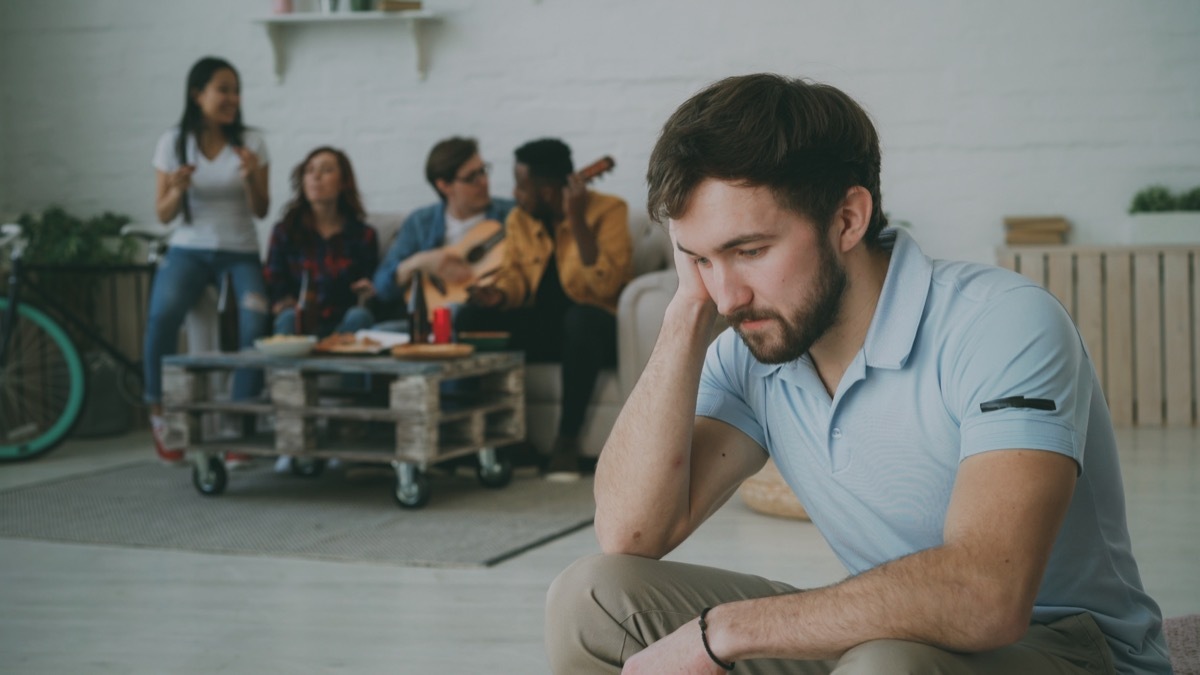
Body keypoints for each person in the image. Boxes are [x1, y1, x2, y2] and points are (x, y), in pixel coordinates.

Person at [545, 74, 1171, 674]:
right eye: (700, 258)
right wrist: (685, 313)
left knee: (884, 662)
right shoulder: (752, 344)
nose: (728, 295)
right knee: (592, 597)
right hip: (892, 640)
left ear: (848, 219)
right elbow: (630, 532)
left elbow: (987, 596)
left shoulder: (1001, 322)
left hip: (1070, 650)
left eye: (750, 251)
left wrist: (727, 632)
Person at [456, 138, 633, 482]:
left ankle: (566, 442)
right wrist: (500, 296)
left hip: (593, 331)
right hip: (546, 328)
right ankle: (504, 440)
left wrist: (577, 220)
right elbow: (514, 275)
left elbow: (606, 286)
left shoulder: (610, 211)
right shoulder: (520, 220)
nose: (516, 193)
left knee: (580, 319)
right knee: (471, 317)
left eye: (522, 185)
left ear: (549, 190)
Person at [145, 56, 270, 464]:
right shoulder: (173, 142)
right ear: (198, 95)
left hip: (239, 251)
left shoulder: (251, 142)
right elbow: (163, 214)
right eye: (223, 89)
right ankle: (159, 411)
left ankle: (240, 422)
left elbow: (262, 210)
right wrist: (177, 189)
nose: (233, 98)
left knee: (256, 318)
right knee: (163, 315)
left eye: (236, 90)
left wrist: (252, 177)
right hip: (189, 249)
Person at [372, 137, 514, 315]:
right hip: (428, 321)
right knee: (376, 331)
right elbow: (382, 287)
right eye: (471, 177)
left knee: (459, 313)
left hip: (486, 316)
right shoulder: (420, 222)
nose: (483, 181)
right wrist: (420, 262)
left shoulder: (512, 216)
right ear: (444, 185)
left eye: (483, 171)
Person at [264, 146, 379, 339]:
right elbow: (274, 282)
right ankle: (293, 368)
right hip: (300, 316)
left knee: (360, 316)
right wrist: (282, 302)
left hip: (343, 322)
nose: (316, 176)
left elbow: (370, 284)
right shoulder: (285, 231)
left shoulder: (363, 235)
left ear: (343, 182)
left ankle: (338, 359)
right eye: (309, 171)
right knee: (287, 318)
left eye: (326, 170)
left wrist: (368, 290)